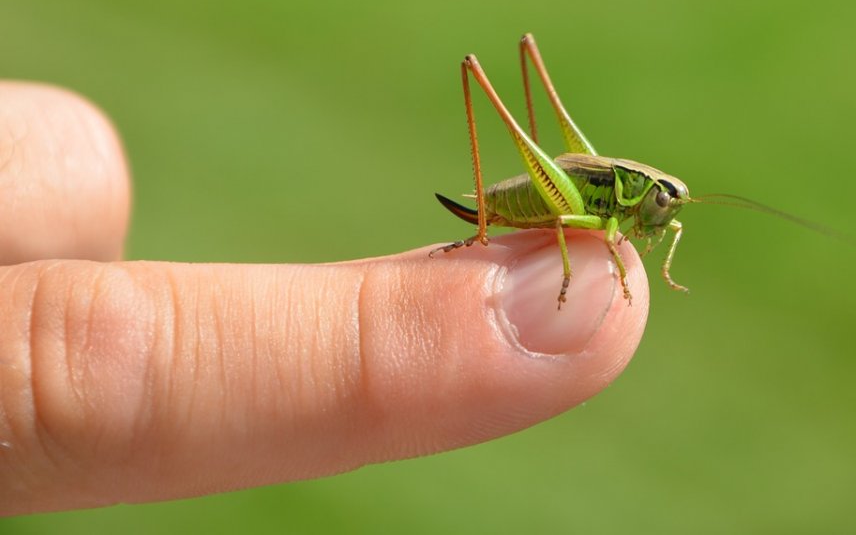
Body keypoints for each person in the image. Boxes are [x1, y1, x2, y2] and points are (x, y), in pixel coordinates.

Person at [0, 81, 648, 516]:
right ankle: (482, 228)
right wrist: (567, 271)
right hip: (555, 194)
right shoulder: (604, 200)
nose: (662, 212)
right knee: (564, 212)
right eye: (659, 199)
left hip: (566, 190)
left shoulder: (642, 213)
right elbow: (574, 223)